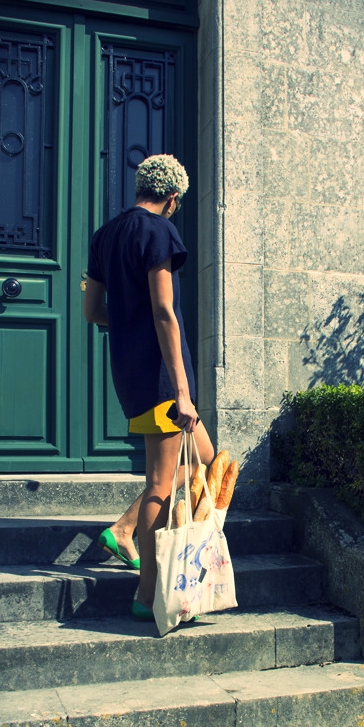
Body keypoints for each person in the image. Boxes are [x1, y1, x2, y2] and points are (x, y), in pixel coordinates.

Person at [83, 154, 214, 620]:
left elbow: (93, 311)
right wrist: (182, 390)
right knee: (160, 482)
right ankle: (145, 596)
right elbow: (165, 312)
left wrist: (127, 320)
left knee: (206, 459)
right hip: (162, 376)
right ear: (173, 198)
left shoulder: (105, 236)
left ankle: (123, 529)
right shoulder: (159, 232)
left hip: (131, 372)